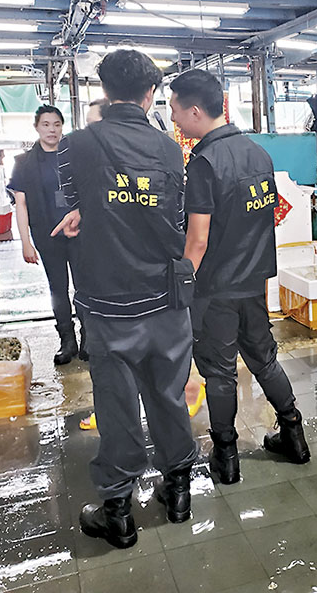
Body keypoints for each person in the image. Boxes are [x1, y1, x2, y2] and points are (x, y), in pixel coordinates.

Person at [52, 49, 198, 548]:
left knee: (116, 404)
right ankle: (178, 490)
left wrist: (85, 216)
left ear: (105, 91)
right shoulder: (169, 150)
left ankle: (118, 511)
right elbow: (174, 218)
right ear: (152, 93)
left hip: (106, 303)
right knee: (168, 395)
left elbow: (75, 205)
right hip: (164, 298)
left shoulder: (75, 145)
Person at [175, 69, 310, 486]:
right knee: (264, 358)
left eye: (176, 110)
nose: (175, 120)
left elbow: (196, 241)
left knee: (219, 371)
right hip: (254, 281)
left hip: (215, 287)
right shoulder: (259, 154)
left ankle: (226, 456)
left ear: (195, 110)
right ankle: (294, 435)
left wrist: (179, 289)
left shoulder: (203, 163)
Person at [9, 105, 86, 366]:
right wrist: (25, 242)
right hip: (47, 234)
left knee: (84, 286)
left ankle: (88, 337)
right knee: (58, 288)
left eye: (56, 124)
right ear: (36, 127)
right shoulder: (24, 163)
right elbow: (21, 204)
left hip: (79, 233)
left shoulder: (75, 156)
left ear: (62, 127)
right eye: (46, 124)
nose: (51, 130)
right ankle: (67, 340)